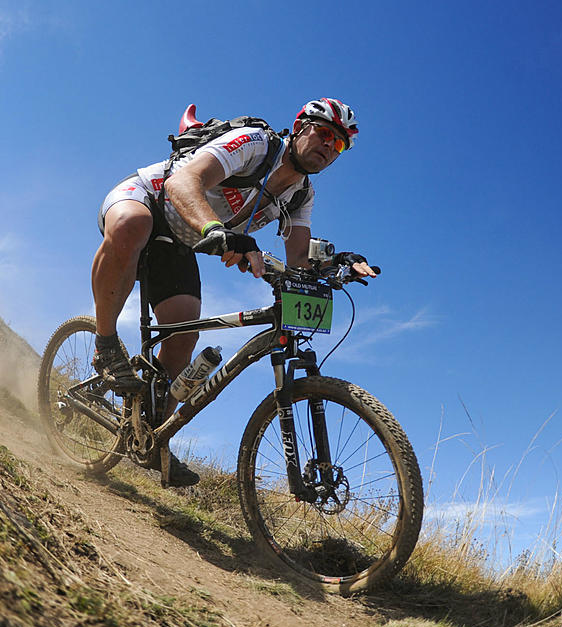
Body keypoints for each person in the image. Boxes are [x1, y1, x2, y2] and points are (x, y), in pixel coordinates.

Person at [92, 97, 377, 485]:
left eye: (339, 143)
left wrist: (336, 262)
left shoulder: (300, 195)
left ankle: (153, 438)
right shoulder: (256, 144)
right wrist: (218, 232)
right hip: (149, 198)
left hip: (180, 243)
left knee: (183, 339)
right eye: (324, 133)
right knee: (131, 224)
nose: (329, 146)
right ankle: (105, 344)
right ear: (299, 128)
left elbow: (298, 261)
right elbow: (182, 182)